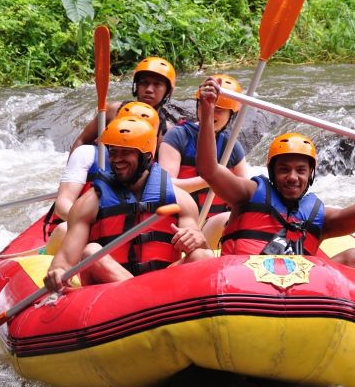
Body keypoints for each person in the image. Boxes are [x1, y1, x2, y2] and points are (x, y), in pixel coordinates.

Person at [194, 76, 355, 270]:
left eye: (301, 170)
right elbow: (209, 169)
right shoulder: (248, 194)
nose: (293, 177)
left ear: (311, 174)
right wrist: (207, 113)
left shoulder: (320, 218)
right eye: (284, 170)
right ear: (272, 173)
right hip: (240, 286)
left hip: (300, 299)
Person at [45, 116, 213, 292]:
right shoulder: (89, 203)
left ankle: (146, 298)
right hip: (109, 292)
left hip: (162, 286)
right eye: (113, 152)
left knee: (203, 255)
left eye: (126, 152)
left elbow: (197, 248)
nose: (117, 159)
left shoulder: (180, 200)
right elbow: (63, 262)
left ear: (147, 156)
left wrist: (199, 240)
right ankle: (142, 296)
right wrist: (57, 272)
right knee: (91, 252)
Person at [43, 101, 161, 252]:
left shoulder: (149, 166)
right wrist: (96, 225)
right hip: (78, 231)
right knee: (64, 229)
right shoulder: (86, 153)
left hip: (120, 239)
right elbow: (62, 204)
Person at [158, 74, 248, 246]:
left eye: (220, 109)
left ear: (232, 115)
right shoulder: (178, 136)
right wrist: (211, 179)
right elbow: (165, 185)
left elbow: (245, 194)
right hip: (182, 222)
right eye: (208, 106)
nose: (212, 112)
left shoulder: (232, 146)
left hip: (215, 225)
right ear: (199, 105)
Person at [69, 56, 179, 152]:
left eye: (157, 84)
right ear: (137, 86)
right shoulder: (112, 111)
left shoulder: (166, 132)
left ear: (167, 92)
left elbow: (164, 169)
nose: (149, 89)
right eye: (144, 83)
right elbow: (81, 141)